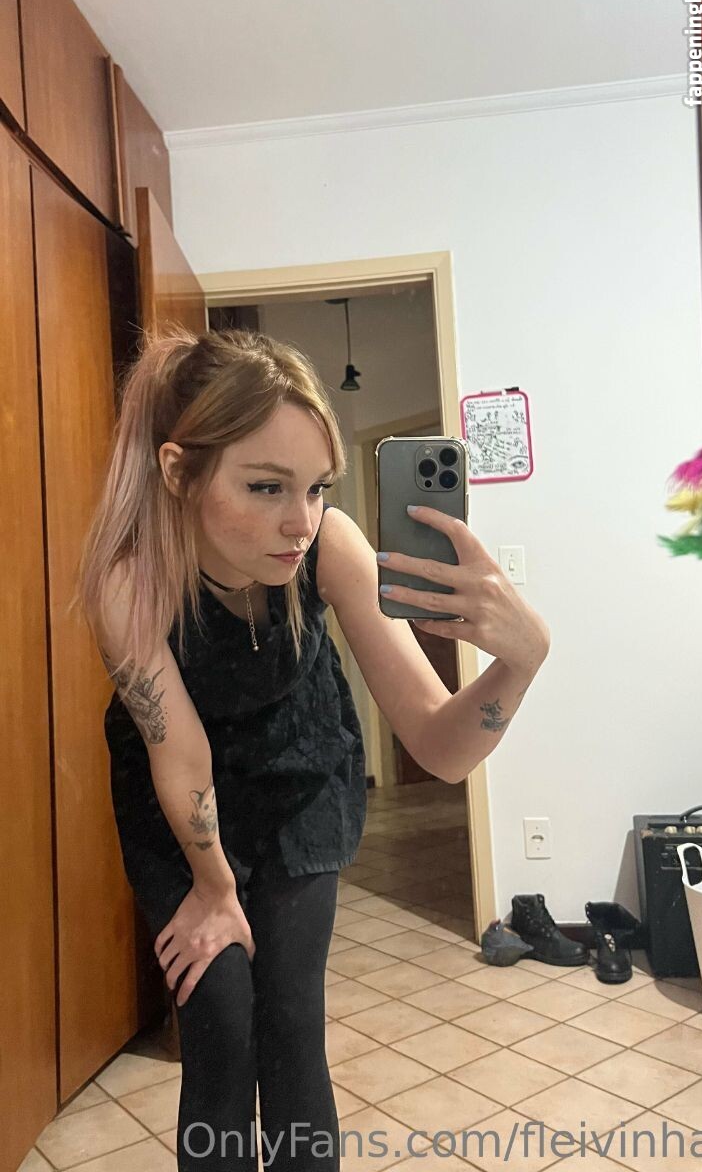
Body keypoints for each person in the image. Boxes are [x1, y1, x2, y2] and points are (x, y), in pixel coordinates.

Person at [72, 325, 550, 1171]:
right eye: (266, 487)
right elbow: (180, 754)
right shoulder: (133, 577)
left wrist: (522, 660)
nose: (300, 522)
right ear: (179, 473)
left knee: (292, 1025)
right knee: (220, 1025)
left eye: (318, 487)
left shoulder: (330, 547)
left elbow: (440, 747)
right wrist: (215, 888)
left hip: (302, 783)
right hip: (180, 811)